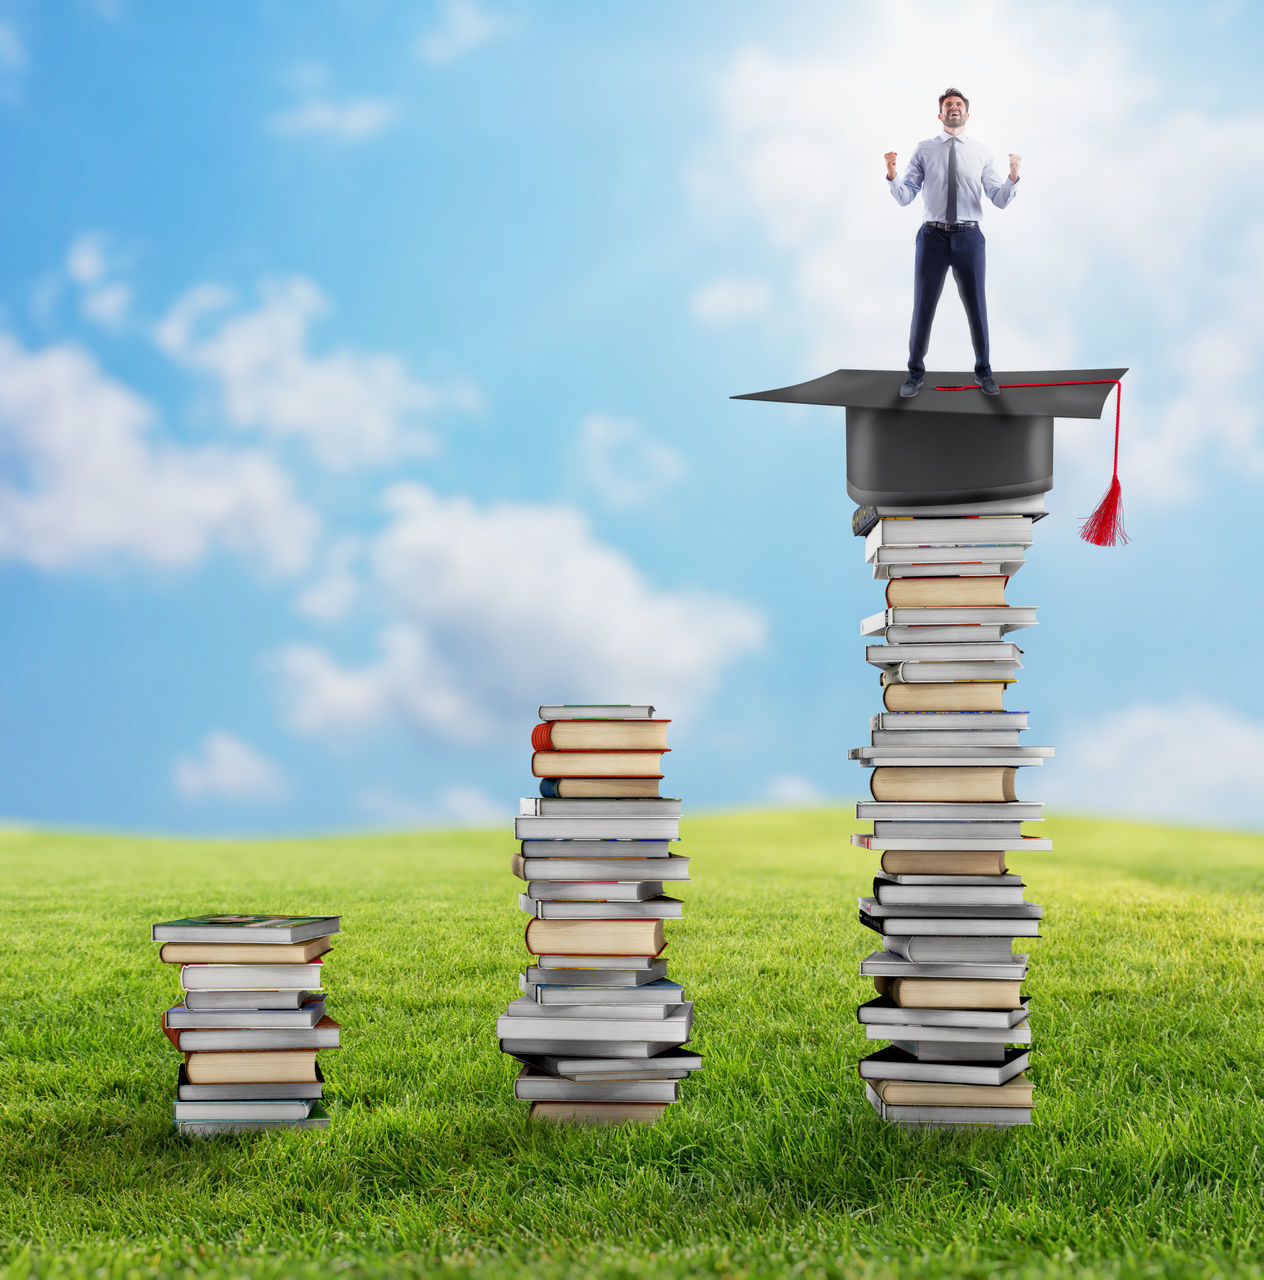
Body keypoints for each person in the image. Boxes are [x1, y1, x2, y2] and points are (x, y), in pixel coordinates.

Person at [885, 88, 1021, 397]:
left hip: (969, 237)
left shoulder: (982, 153)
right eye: (948, 105)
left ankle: (984, 372)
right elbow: (906, 196)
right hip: (932, 237)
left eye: (959, 104)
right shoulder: (924, 149)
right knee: (923, 306)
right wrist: (892, 175)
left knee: (977, 307)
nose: (954, 108)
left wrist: (1012, 178)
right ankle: (914, 373)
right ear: (940, 114)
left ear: (967, 114)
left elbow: (998, 199)